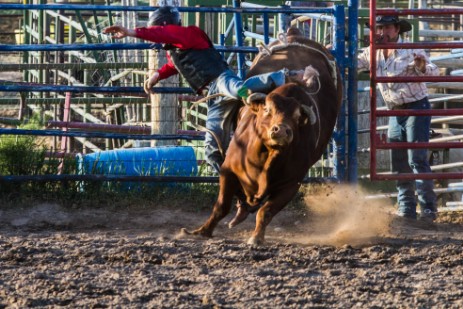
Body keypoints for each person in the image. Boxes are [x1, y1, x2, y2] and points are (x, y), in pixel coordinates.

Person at [103, 6, 307, 174]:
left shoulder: (187, 34)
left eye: (157, 30)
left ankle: (288, 75)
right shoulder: (176, 47)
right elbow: (174, 65)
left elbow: (163, 34)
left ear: (165, 26)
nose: (158, 37)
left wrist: (131, 32)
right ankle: (231, 181)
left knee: (239, 90)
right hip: (212, 95)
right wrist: (157, 76)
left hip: (220, 79)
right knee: (212, 148)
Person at [358, 15, 440, 223]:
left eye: (385, 28)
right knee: (400, 160)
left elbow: (433, 71)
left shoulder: (411, 50)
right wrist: (336, 52)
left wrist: (421, 67)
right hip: (395, 109)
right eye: (378, 28)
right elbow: (355, 62)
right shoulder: (372, 52)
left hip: (416, 106)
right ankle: (407, 208)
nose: (381, 32)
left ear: (396, 30)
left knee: (416, 158)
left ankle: (428, 208)